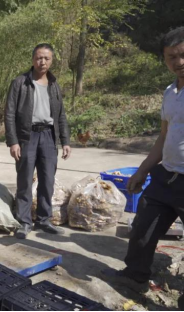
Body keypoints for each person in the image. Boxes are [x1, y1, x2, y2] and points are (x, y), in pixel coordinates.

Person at [102, 27, 184, 287]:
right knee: (142, 229)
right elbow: (163, 137)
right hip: (166, 177)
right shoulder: (170, 93)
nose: (179, 62)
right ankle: (135, 276)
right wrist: (142, 170)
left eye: (183, 54)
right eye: (172, 57)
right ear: (164, 59)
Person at [5, 43, 72, 240]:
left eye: (46, 58)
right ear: (33, 59)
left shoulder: (54, 85)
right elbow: (9, 114)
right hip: (27, 136)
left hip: (49, 137)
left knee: (47, 180)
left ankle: (44, 220)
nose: (42, 61)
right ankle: (24, 222)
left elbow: (61, 115)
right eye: (38, 57)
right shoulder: (20, 83)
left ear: (51, 61)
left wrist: (65, 141)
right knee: (24, 180)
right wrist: (13, 142)